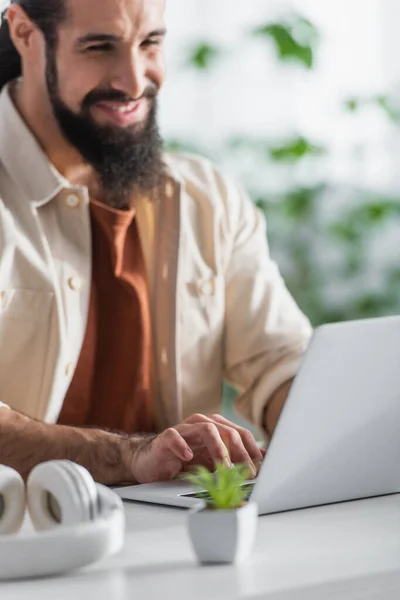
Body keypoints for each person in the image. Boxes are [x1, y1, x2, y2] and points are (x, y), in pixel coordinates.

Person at [0, 0, 312, 485]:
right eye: (100, 46)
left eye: (150, 43)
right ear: (24, 33)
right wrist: (126, 456)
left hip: (182, 540)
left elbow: (278, 360)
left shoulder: (208, 199)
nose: (133, 80)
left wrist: (323, 422)